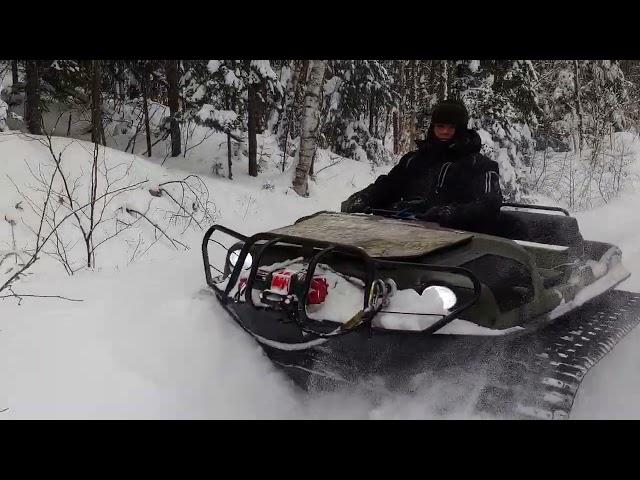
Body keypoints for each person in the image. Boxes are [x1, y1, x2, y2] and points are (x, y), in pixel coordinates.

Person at [340, 99, 502, 232]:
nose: (445, 132)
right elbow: (389, 185)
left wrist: (450, 213)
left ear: (461, 129)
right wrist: (366, 196)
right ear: (433, 127)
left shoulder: (481, 166)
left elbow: (489, 204)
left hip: (455, 241)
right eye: (440, 126)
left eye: (451, 127)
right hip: (400, 231)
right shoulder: (413, 160)